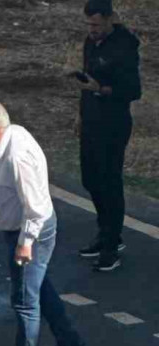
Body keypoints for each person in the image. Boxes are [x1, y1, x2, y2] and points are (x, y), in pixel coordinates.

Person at [0, 101, 85, 346]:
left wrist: (26, 243)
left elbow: (35, 207)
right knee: (38, 286)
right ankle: (68, 339)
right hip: (22, 230)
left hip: (30, 232)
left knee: (24, 301)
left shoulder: (17, 156)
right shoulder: (9, 138)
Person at [74, 0, 141, 271]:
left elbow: (133, 91)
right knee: (90, 179)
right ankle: (106, 231)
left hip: (113, 123)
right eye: (89, 24)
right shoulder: (90, 42)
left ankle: (111, 245)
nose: (92, 30)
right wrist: (81, 114)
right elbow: (86, 82)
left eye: (97, 25)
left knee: (110, 182)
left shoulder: (124, 47)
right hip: (91, 119)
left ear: (111, 19)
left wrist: (101, 89)